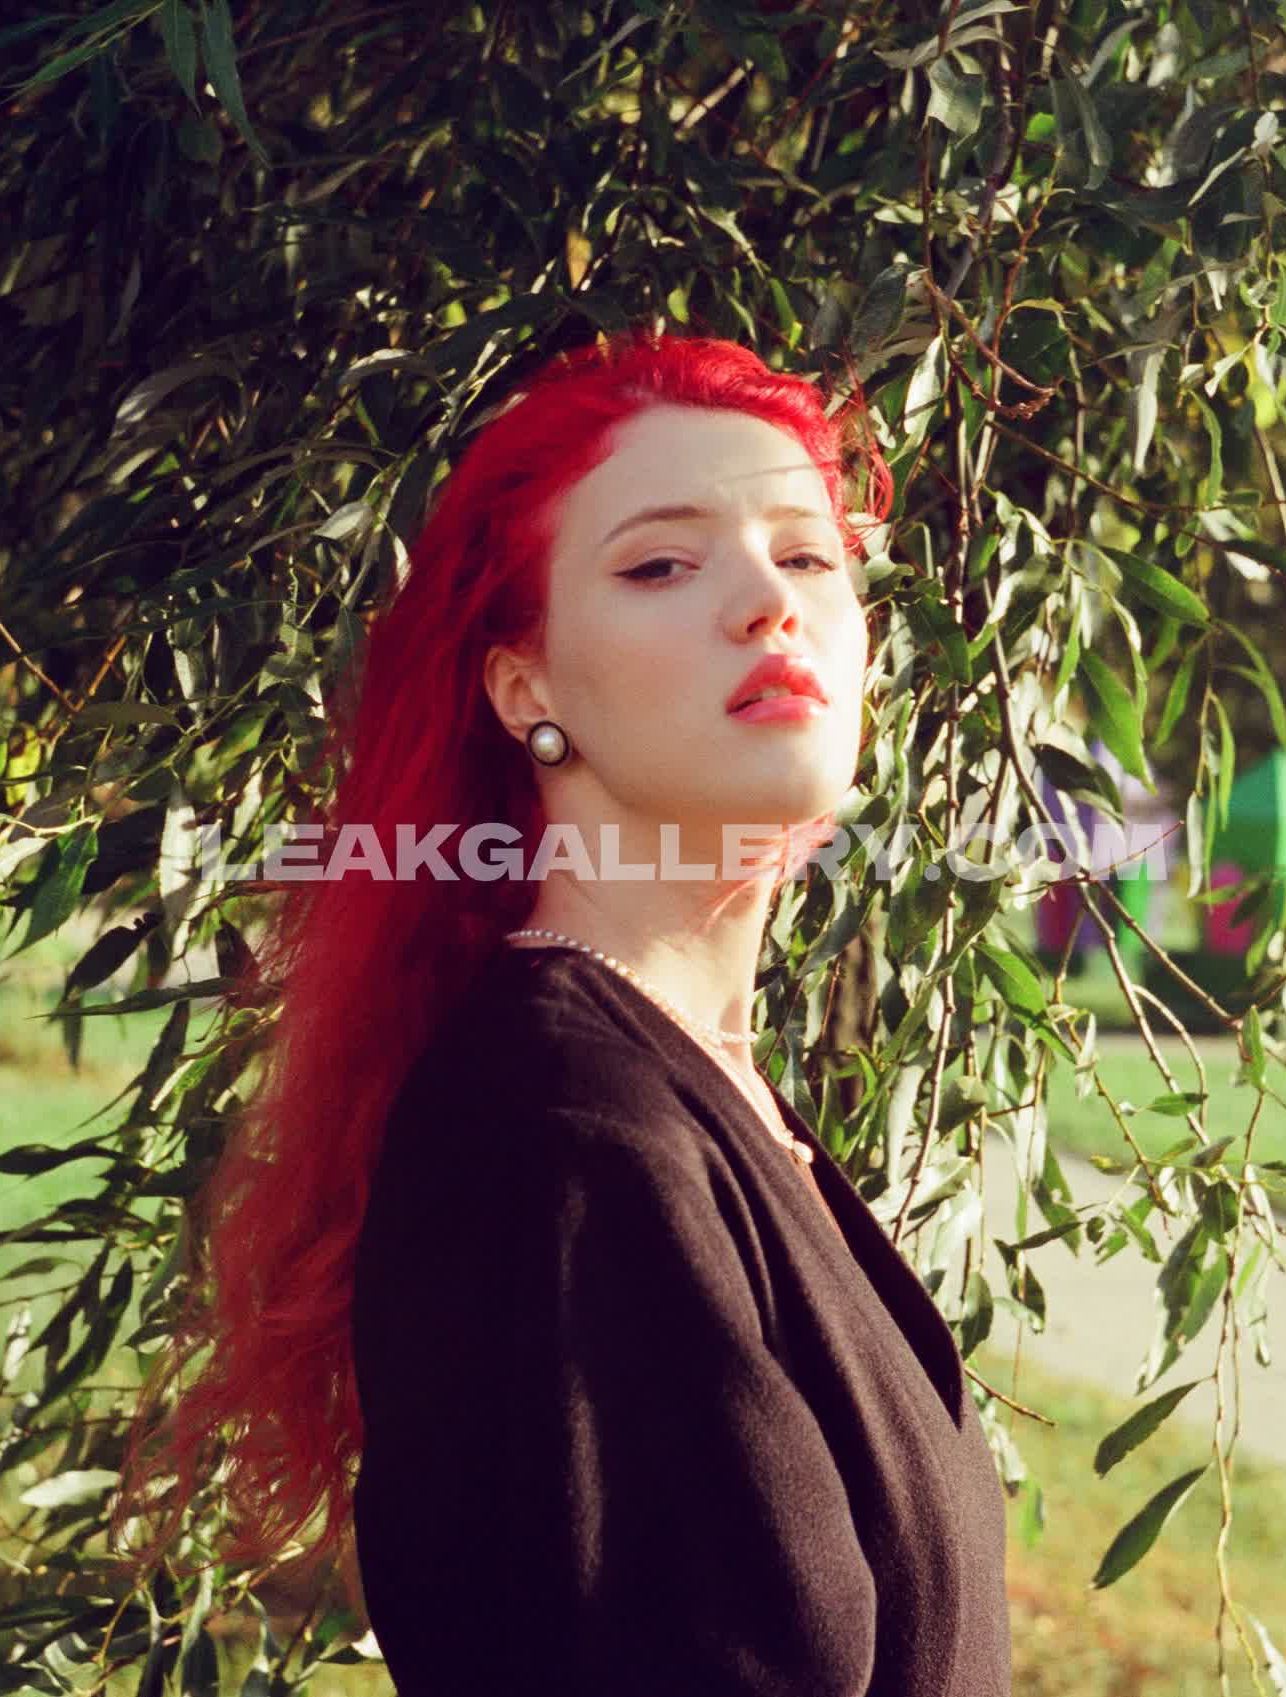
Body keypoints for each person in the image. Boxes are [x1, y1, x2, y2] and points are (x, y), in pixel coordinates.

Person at [129, 332, 1012, 1694]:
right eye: (661, 565)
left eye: (807, 556)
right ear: (525, 688)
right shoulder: (562, 1137)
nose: (767, 605)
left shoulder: (692, 1090)